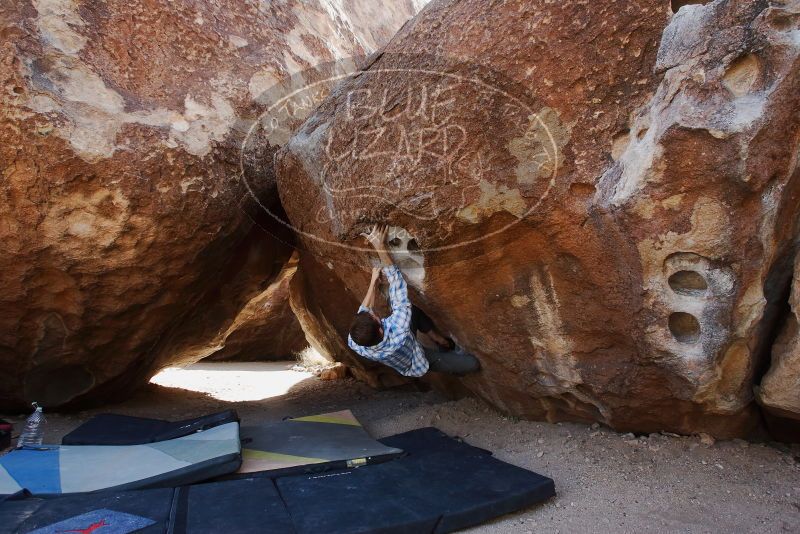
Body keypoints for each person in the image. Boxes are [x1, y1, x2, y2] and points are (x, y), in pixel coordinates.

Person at [347, 225, 481, 377]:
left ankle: (438, 339)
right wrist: (379, 246)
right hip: (418, 360)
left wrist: (373, 282)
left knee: (412, 310)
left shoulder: (356, 343)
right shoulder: (399, 328)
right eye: (375, 317)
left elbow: (364, 310)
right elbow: (396, 281)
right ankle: (449, 360)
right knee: (472, 363)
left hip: (401, 344)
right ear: (380, 329)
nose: (373, 313)